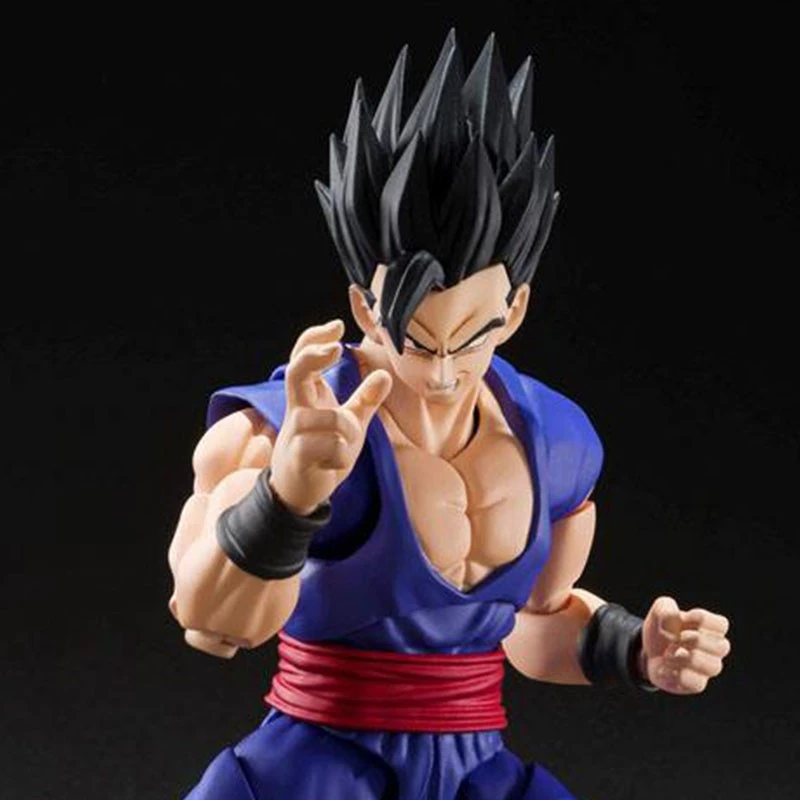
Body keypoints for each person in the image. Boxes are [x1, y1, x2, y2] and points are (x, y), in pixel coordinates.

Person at [168, 30, 731, 799]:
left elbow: (537, 624)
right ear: (365, 305)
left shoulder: (556, 441)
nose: (440, 371)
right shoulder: (284, 429)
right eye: (416, 339)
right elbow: (212, 624)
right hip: (318, 768)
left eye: (469, 340)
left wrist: (636, 649)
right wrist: (287, 496)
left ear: (516, 309)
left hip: (476, 771)